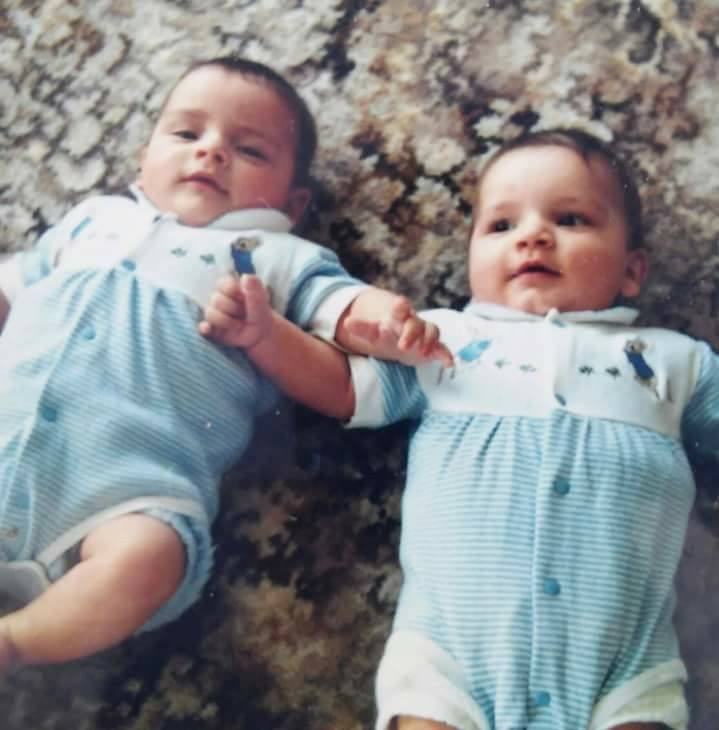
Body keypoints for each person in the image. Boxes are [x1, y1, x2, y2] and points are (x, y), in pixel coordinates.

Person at [208, 128, 705, 730]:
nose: (532, 236)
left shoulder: (677, 361)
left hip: (622, 668)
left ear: (632, 270)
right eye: (501, 225)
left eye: (570, 219)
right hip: (451, 659)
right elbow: (343, 387)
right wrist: (267, 336)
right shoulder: (442, 341)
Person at [0, 55, 449, 671]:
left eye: (250, 150)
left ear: (293, 202)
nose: (209, 151)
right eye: (186, 133)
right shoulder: (94, 219)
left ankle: (17, 640)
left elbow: (339, 304)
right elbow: (16, 283)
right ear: (144, 156)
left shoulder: (272, 255)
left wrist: (383, 318)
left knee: (152, 553)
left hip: (118, 494)